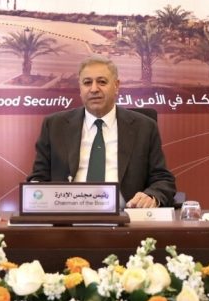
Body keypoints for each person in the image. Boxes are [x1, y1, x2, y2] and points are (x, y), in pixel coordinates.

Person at [27, 55, 176, 208]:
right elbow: (39, 177)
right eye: (87, 83)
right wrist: (36, 195)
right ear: (80, 88)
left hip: (125, 215)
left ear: (116, 86)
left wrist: (151, 196)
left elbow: (162, 178)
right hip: (67, 214)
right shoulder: (55, 126)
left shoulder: (144, 127)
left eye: (102, 82)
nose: (94, 89)